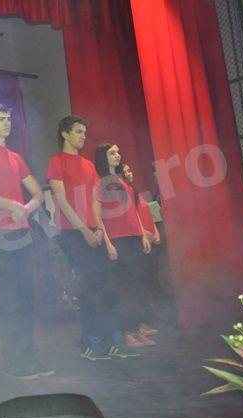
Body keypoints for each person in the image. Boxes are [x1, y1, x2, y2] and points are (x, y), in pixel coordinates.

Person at [0, 102, 53, 379]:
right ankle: (13, 360)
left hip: (21, 230)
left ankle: (29, 357)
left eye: (8, 118)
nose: (7, 123)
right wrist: (11, 205)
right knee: (11, 296)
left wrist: (25, 210)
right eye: (0, 119)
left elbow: (37, 194)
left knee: (27, 294)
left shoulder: (16, 157)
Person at [46, 116, 134, 361]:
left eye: (84, 132)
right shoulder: (56, 161)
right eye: (78, 131)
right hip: (72, 232)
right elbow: (61, 200)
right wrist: (84, 231)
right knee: (88, 286)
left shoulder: (88, 165)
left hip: (93, 231)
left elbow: (96, 202)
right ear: (65, 134)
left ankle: (110, 341)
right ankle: (90, 342)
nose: (83, 136)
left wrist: (99, 231)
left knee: (104, 286)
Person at [93, 144, 152, 353]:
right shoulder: (99, 182)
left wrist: (143, 234)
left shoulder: (123, 181)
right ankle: (125, 332)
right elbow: (97, 214)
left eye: (118, 152)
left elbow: (133, 210)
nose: (117, 155)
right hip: (118, 239)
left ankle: (135, 329)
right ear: (103, 157)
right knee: (123, 288)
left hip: (134, 237)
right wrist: (108, 243)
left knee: (135, 286)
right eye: (112, 153)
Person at [121, 163, 160, 336]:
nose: (130, 173)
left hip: (149, 239)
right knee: (138, 285)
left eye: (130, 170)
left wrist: (155, 231)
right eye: (126, 171)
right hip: (139, 240)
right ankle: (138, 323)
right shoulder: (124, 193)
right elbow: (133, 217)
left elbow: (148, 214)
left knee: (147, 283)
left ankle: (144, 321)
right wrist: (144, 234)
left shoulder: (135, 191)